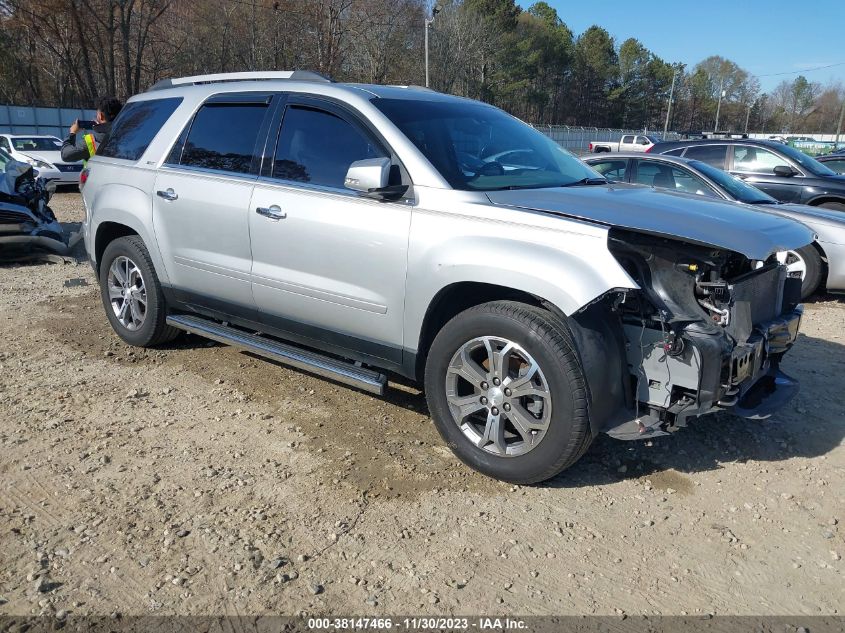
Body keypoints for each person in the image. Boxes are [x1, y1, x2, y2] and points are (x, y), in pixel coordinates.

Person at [61, 96, 123, 164]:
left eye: (97, 115)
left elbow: (65, 155)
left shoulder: (91, 141)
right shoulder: (129, 135)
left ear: (101, 116)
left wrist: (72, 133)